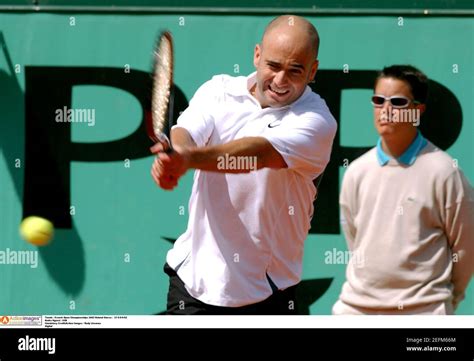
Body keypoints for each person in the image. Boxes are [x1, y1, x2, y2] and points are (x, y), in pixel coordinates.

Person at [150, 15, 337, 314]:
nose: (280, 80)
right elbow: (187, 134)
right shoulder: (218, 90)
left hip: (268, 294)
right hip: (192, 285)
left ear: (312, 71)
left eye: (295, 70)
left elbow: (256, 155)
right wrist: (178, 155)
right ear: (257, 55)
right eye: (273, 66)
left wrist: (187, 160)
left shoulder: (316, 122)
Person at [333, 65, 473, 315]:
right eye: (378, 100)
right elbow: (355, 240)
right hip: (355, 311)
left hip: (425, 313)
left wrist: (444, 301)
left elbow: (465, 248)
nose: (385, 110)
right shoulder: (356, 171)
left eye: (397, 102)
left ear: (418, 111)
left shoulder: (445, 171)